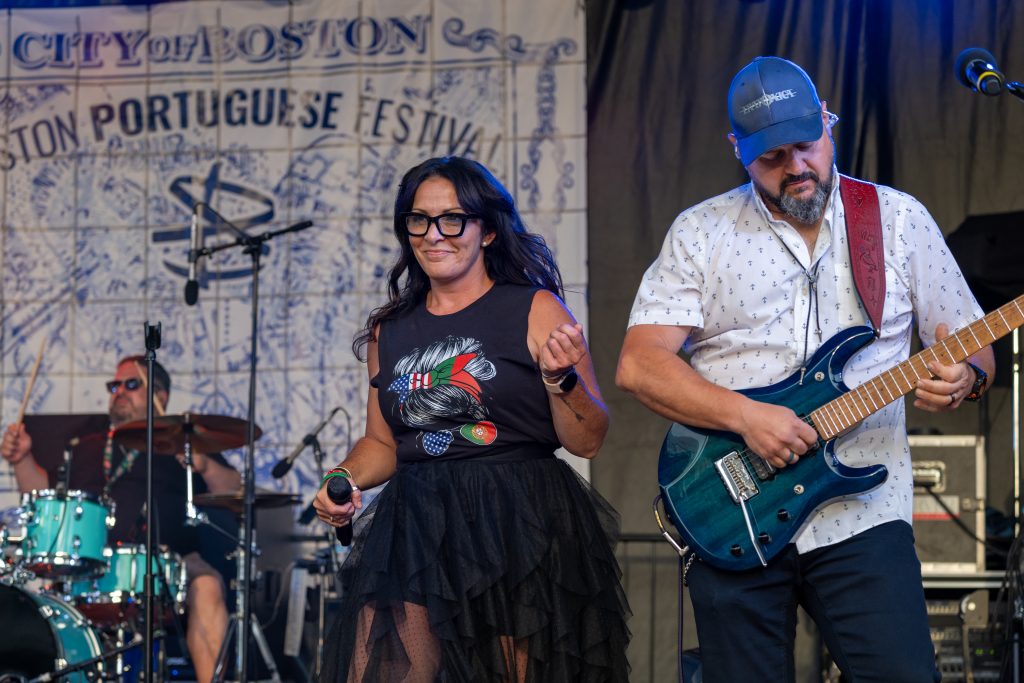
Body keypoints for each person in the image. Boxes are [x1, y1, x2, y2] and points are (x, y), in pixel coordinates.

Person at [616, 56, 996, 682]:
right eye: (772, 156)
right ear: (737, 149)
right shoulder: (701, 232)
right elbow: (640, 365)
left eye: (806, 144)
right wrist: (747, 417)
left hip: (864, 515)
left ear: (826, 120)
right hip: (734, 508)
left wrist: (967, 376)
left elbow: (970, 339)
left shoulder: (897, 220)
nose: (796, 167)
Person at [313, 156, 630, 682]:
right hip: (418, 522)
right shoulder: (389, 331)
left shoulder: (535, 308)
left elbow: (588, 441)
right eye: (419, 220)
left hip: (515, 516)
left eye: (452, 219)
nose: (434, 234)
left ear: (487, 231)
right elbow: (383, 444)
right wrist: (342, 477)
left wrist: (561, 380)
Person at [2, 355, 240, 683]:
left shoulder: (182, 442)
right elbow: (43, 494)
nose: (119, 392)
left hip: (173, 561)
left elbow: (232, 489)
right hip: (92, 564)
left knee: (208, 586)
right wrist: (22, 458)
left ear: (160, 396)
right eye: (114, 385)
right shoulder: (86, 445)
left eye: (131, 384)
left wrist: (204, 464)